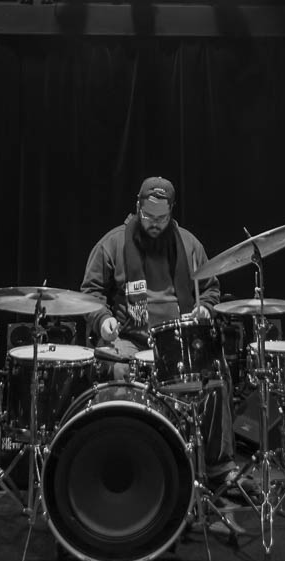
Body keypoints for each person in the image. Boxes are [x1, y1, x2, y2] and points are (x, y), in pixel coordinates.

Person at [80, 175, 238, 489]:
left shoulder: (189, 244)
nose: (154, 223)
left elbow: (211, 289)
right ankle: (131, 464)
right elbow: (90, 293)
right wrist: (102, 319)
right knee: (119, 370)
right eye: (148, 216)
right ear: (137, 207)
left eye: (161, 218)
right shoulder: (113, 243)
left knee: (216, 374)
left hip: (178, 340)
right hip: (130, 338)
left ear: (171, 212)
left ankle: (219, 467)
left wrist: (205, 307)